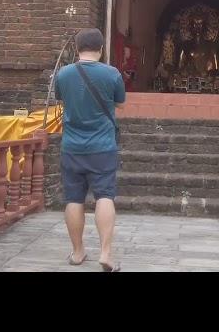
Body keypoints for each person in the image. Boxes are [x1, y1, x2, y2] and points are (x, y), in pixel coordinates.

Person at [54, 28, 126, 272]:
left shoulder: (63, 74)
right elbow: (119, 103)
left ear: (76, 48)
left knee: (73, 199)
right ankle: (105, 253)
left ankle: (77, 252)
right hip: (102, 147)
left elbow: (62, 99)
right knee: (104, 195)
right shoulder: (112, 74)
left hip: (72, 146)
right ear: (101, 49)